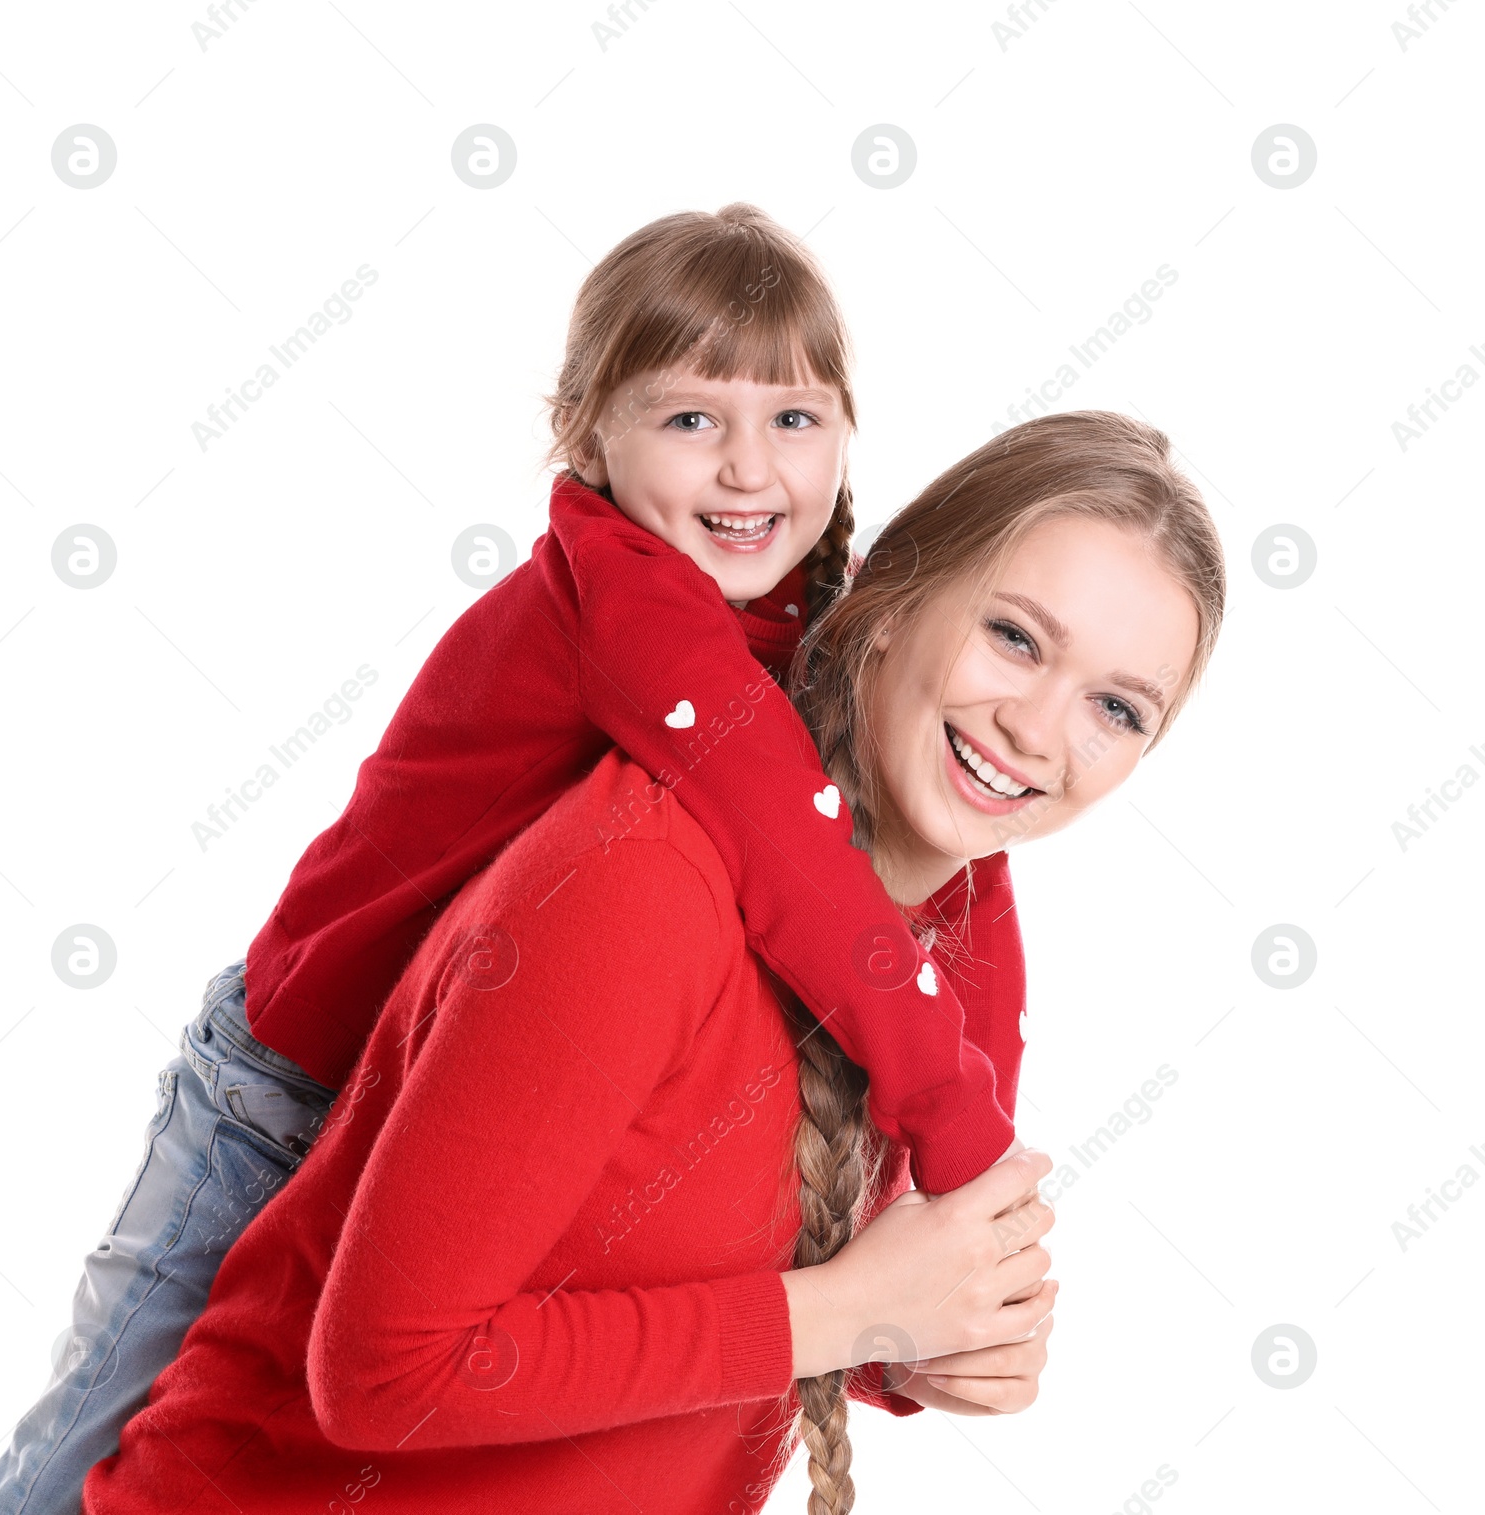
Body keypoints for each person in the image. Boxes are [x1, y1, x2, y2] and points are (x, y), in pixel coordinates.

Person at [0, 204, 1030, 1514]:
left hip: (443, 1081)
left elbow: (947, 854)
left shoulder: (820, 605)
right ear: (590, 434)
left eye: (796, 420)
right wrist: (954, 1112)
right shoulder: (628, 595)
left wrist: (963, 1205)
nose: (750, 470)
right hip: (285, 1083)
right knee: (103, 1427)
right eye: (692, 419)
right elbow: (786, 831)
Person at [81, 410, 1227, 1515]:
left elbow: (757, 1283)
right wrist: (840, 1313)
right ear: (890, 603)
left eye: (1116, 710)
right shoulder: (641, 881)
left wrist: (917, 1342)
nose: (1037, 729)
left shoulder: (967, 939)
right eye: (1015, 637)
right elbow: (387, 1370)